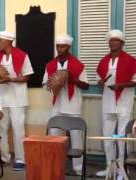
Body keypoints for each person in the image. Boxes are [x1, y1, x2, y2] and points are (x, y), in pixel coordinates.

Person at [96, 30, 136, 178]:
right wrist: (100, 82)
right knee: (108, 136)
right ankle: (108, 167)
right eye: (111, 40)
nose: (113, 43)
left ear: (122, 43)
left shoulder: (131, 61)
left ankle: (122, 169)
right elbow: (99, 79)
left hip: (124, 102)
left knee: (122, 137)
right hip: (107, 101)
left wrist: (122, 85)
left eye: (116, 41)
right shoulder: (103, 61)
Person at [43, 34, 89, 175]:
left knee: (76, 135)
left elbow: (86, 86)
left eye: (62, 46)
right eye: (57, 46)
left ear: (69, 47)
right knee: (54, 134)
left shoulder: (78, 65)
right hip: (57, 104)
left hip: (73, 103)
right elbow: (45, 84)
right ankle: (55, 164)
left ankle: (78, 168)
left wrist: (71, 78)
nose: (59, 49)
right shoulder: (50, 64)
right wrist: (55, 83)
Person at [0, 31, 34, 171]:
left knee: (18, 129)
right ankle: (4, 157)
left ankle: (20, 159)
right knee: (2, 129)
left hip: (18, 99)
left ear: (9, 42)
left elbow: (27, 76)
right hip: (2, 97)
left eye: (0, 40)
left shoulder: (22, 55)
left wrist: (11, 79)